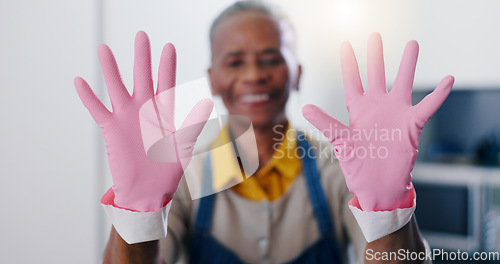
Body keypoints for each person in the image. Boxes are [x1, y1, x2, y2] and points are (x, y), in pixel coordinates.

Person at [75, 1, 453, 263]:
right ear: (213, 79)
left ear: (298, 72)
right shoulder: (185, 175)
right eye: (235, 61)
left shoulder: (339, 169)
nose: (254, 74)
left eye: (271, 58)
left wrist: (387, 210)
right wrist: (137, 211)